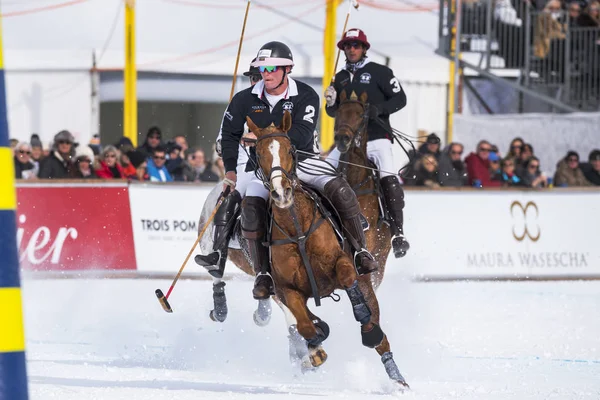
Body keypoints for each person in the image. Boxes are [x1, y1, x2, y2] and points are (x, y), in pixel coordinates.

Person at [215, 41, 378, 300]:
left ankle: (359, 252)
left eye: (271, 68)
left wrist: (266, 139)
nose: (266, 73)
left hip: (301, 160)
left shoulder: (305, 95)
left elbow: (301, 135)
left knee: (340, 188)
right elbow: (228, 136)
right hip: (262, 168)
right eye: (262, 68)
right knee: (251, 206)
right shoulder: (243, 99)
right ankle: (263, 274)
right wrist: (231, 171)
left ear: (287, 68)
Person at [324, 28, 410, 258]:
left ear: (364, 49)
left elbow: (400, 99)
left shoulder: (380, 72)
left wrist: (379, 110)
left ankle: (397, 233)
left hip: (376, 138)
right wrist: (330, 103)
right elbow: (334, 112)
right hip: (348, 144)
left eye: (356, 45)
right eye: (348, 46)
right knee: (322, 172)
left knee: (388, 176)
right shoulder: (340, 77)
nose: (352, 49)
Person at [194, 58, 263, 279]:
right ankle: (218, 254)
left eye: (259, 77)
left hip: (273, 166)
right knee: (226, 198)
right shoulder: (240, 102)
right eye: (253, 77)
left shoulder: (282, 102)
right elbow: (222, 139)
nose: (256, 81)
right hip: (243, 167)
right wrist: (228, 142)